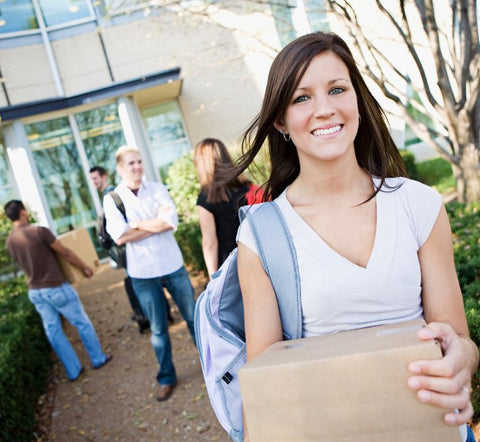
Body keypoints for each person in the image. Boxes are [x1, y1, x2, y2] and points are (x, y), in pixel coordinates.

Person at [228, 32, 478, 441]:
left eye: (337, 90)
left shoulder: (419, 204)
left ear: (356, 101)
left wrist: (461, 364)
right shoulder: (260, 235)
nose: (324, 110)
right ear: (280, 120)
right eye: (301, 98)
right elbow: (266, 384)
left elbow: (459, 340)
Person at [103, 145, 196, 402]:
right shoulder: (113, 199)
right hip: (143, 273)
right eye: (131, 164)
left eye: (139, 162)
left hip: (172, 265)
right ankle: (167, 377)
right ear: (121, 169)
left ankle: (216, 365)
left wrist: (134, 225)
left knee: (193, 318)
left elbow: (169, 223)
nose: (137, 167)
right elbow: (120, 237)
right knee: (158, 329)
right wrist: (152, 225)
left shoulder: (157, 189)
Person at [4, 200, 112, 382]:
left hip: (35, 292)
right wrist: (84, 266)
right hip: (55, 287)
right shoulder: (39, 231)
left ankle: (73, 370)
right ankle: (98, 358)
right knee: (81, 322)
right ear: (23, 212)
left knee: (53, 331)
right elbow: (66, 253)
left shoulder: (10, 242)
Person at [89, 164, 155, 334]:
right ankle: (149, 315)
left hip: (128, 244)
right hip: (125, 244)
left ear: (104, 176)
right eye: (92, 179)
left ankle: (147, 317)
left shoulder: (112, 194)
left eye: (96, 178)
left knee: (137, 280)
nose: (93, 182)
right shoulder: (109, 194)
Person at [194, 138, 262, 276]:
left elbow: (209, 243)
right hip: (256, 255)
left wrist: (214, 278)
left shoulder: (206, 198)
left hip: (230, 264)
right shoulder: (247, 186)